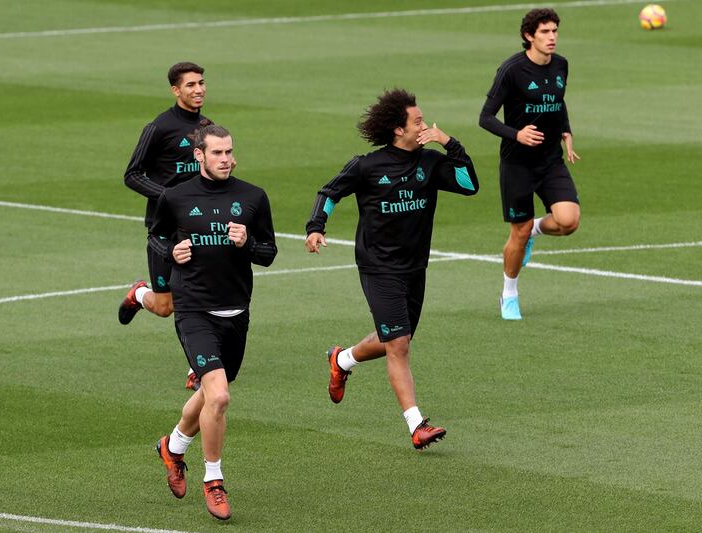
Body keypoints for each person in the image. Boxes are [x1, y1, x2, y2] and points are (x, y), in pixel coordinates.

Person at [305, 89, 479, 450]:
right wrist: (316, 226)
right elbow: (330, 193)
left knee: (396, 338)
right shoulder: (367, 166)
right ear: (398, 130)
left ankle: (342, 359)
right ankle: (416, 425)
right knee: (398, 343)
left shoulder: (430, 162)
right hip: (378, 267)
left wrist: (450, 143)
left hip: (415, 267)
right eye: (418, 122)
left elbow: (469, 185)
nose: (425, 126)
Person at [149, 124, 277, 520]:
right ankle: (214, 480)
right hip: (194, 310)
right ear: (199, 156)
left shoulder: (253, 197)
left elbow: (268, 252)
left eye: (230, 152)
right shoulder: (175, 196)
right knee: (219, 395)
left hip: (236, 311)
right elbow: (155, 237)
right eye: (218, 153)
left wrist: (247, 243)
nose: (227, 159)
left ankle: (172, 446)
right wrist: (173, 252)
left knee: (209, 395)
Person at [479, 8, 581, 320]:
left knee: (569, 221)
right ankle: (509, 294)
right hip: (518, 164)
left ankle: (537, 229)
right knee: (517, 232)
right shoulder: (511, 70)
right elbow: (485, 117)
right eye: (545, 33)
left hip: (550, 160)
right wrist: (517, 134)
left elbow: (557, 101)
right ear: (529, 36)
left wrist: (566, 132)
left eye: (554, 32)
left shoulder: (561, 65)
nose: (552, 38)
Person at [118, 61, 212, 390]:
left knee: (196, 297)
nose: (198, 89)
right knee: (165, 307)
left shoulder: (207, 127)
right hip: (163, 230)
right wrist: (169, 196)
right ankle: (139, 293)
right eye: (190, 85)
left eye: (201, 83)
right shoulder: (159, 127)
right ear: (176, 90)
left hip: (197, 227)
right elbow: (132, 175)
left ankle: (198, 367)